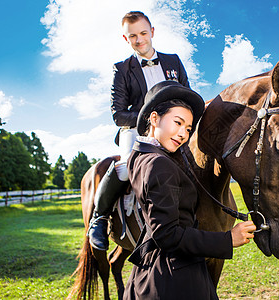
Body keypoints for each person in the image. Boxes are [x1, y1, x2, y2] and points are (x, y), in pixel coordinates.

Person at [123, 80, 256, 300]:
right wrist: (227, 239)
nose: (183, 133)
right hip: (175, 280)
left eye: (188, 128)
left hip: (155, 273)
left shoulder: (140, 156)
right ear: (154, 118)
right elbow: (166, 234)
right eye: (177, 122)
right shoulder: (159, 164)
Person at [88, 11, 190, 251]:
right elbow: (118, 114)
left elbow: (186, 96)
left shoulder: (173, 61)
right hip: (135, 130)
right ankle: (99, 218)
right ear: (126, 39)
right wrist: (150, 120)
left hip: (173, 128)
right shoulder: (122, 69)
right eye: (132, 36)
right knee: (125, 167)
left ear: (152, 32)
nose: (139, 39)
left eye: (143, 33)